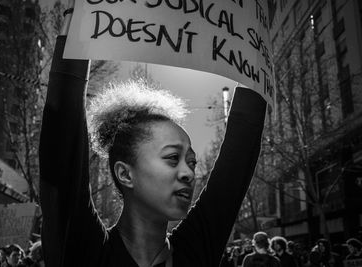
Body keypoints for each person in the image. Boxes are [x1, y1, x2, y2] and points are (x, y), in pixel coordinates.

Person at [39, 0, 267, 266]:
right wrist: (78, 21)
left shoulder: (195, 250)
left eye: (191, 162)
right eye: (172, 158)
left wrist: (256, 44)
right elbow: (62, 145)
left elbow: (238, 155)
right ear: (125, 173)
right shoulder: (82, 251)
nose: (189, 173)